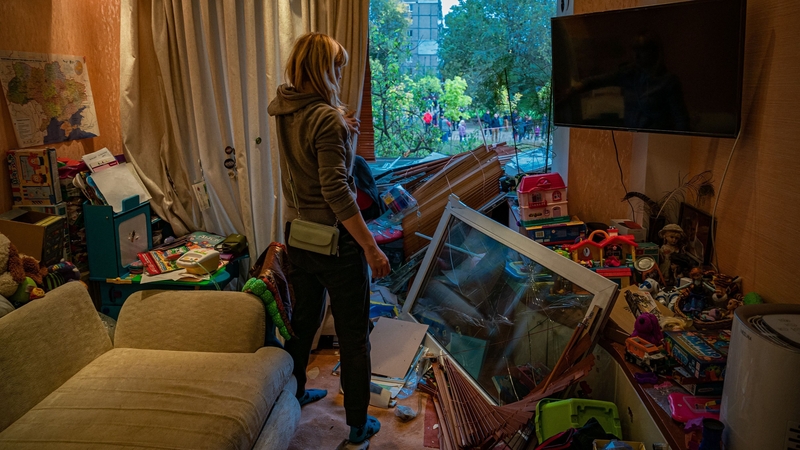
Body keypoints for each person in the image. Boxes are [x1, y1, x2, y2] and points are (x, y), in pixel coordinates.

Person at [267, 32, 390, 445]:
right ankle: (358, 424)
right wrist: (370, 247)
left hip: (298, 237)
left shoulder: (285, 109)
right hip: (336, 243)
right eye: (338, 65)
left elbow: (308, 164)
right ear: (325, 68)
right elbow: (337, 190)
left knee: (302, 325)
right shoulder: (327, 118)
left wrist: (345, 134)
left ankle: (297, 390)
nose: (341, 71)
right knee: (355, 336)